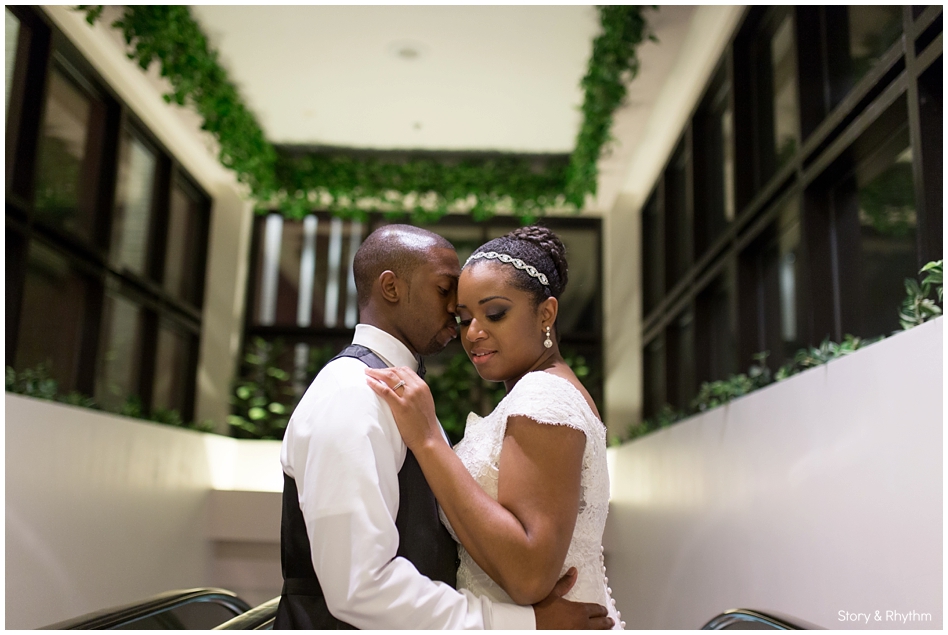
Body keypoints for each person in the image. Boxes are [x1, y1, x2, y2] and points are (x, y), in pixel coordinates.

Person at [275, 224, 613, 629]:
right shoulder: (353, 391)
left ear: (547, 313)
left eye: (494, 312)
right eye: (446, 293)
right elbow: (360, 586)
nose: (462, 322)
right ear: (391, 288)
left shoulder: (537, 396)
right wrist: (518, 621)